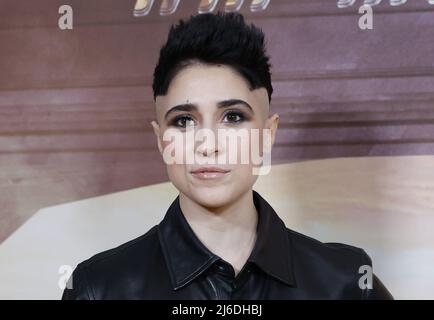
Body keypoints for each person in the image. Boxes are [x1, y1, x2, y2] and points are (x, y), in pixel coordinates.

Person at [62, 11, 393, 300]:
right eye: (184, 121)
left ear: (267, 135)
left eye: (233, 117)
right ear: (161, 140)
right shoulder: (99, 288)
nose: (208, 145)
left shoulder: (346, 285)